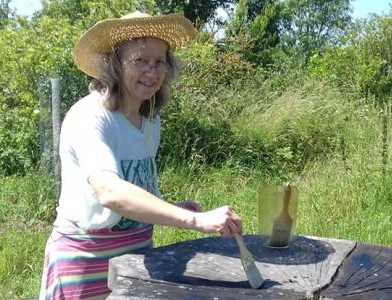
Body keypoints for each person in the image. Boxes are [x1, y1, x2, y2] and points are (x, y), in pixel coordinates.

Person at [39, 11, 243, 300]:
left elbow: (133, 192)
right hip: (86, 261)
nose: (152, 71)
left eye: (159, 62)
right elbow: (110, 193)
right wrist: (197, 221)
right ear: (114, 64)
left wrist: (172, 207)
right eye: (140, 60)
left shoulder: (149, 121)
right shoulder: (89, 115)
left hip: (137, 258)